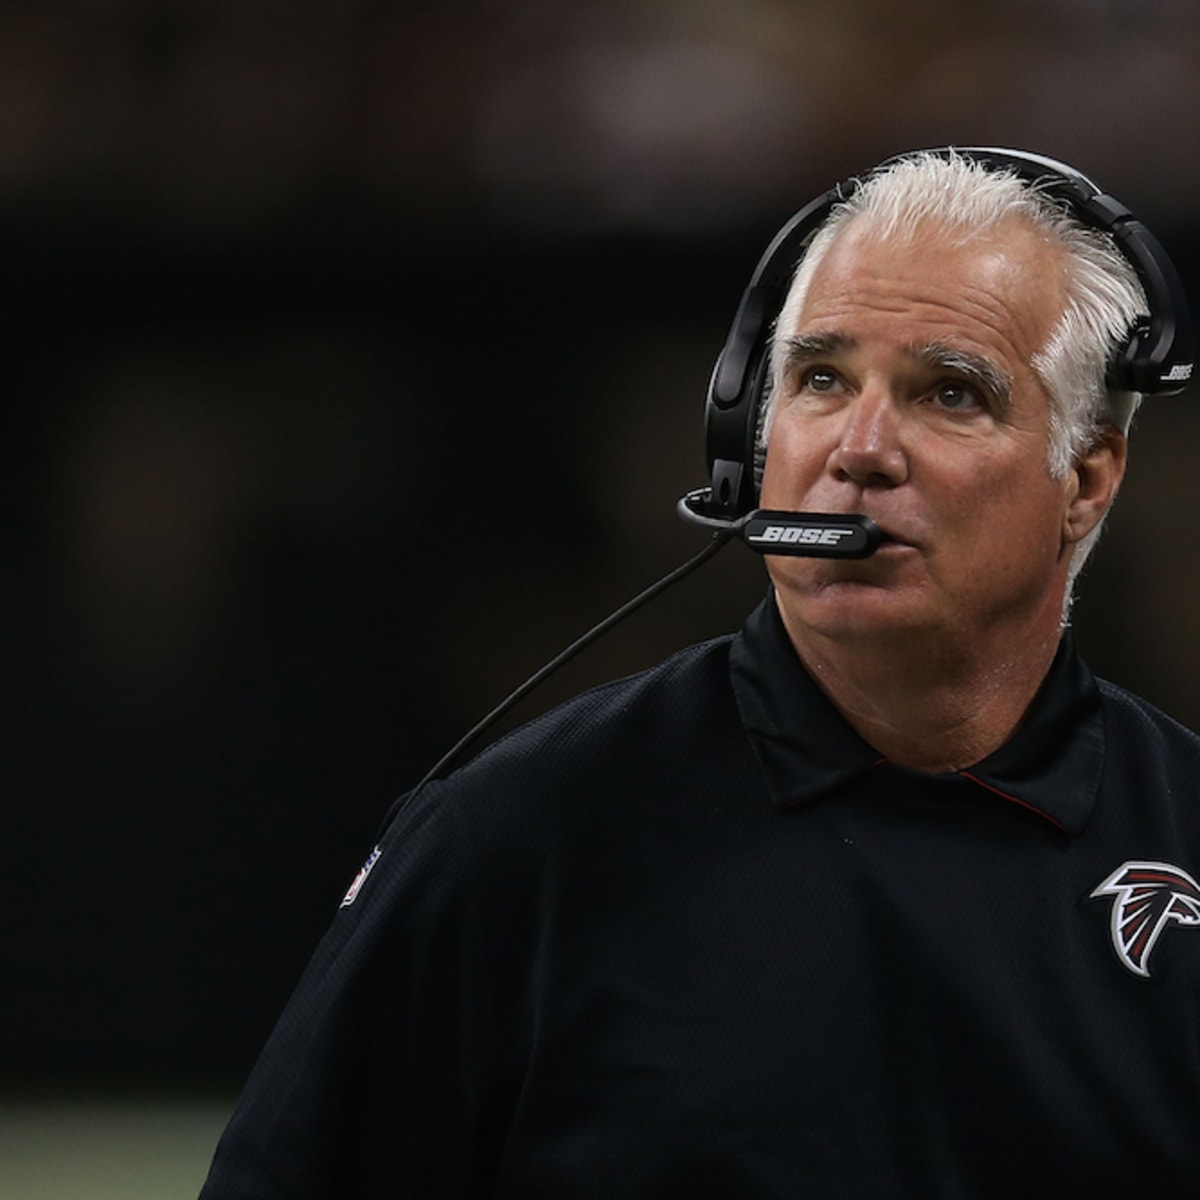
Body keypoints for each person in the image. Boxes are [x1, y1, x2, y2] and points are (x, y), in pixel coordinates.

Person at [198, 149, 1200, 1197]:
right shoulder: (518, 842)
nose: (860, 448)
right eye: (820, 379)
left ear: (1085, 480)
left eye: (947, 392)